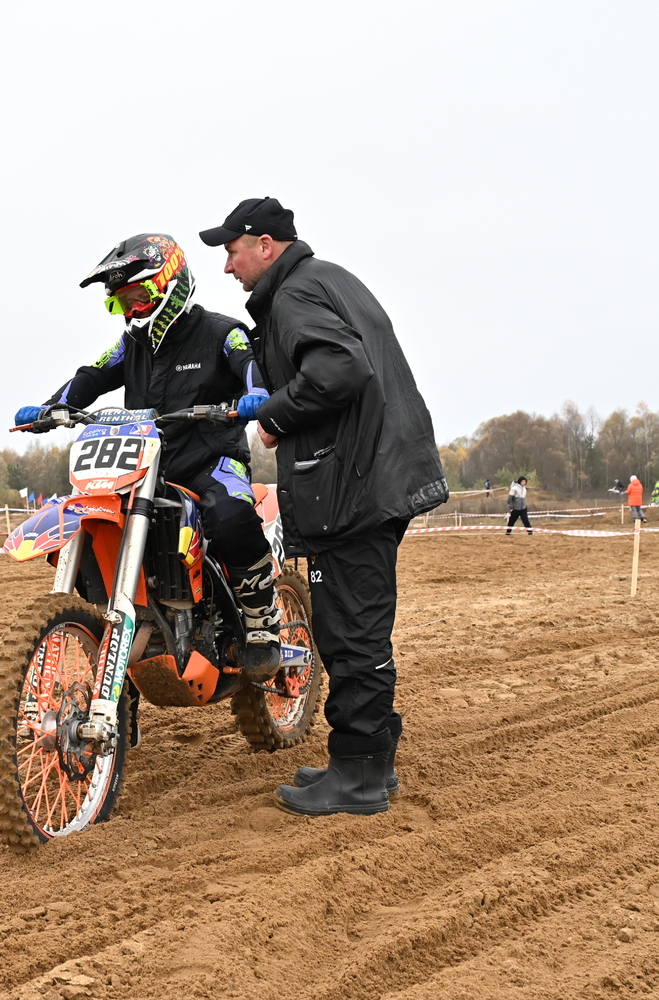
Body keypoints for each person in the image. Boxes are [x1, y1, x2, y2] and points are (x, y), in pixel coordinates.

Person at [201, 196, 448, 816]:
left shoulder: (294, 296)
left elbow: (340, 368)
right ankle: (371, 762)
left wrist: (274, 416)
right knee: (356, 628)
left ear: (264, 246)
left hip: (354, 489)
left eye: (232, 251)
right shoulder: (325, 280)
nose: (227, 267)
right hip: (373, 478)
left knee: (351, 633)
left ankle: (358, 776)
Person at [13, 233, 282, 675]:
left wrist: (256, 395)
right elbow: (93, 375)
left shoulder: (222, 332)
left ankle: (260, 619)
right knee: (96, 521)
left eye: (139, 297)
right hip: (145, 466)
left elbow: (249, 367)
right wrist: (51, 407)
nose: (133, 309)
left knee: (230, 512)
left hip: (212, 459)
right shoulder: (132, 344)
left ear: (170, 285)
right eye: (122, 302)